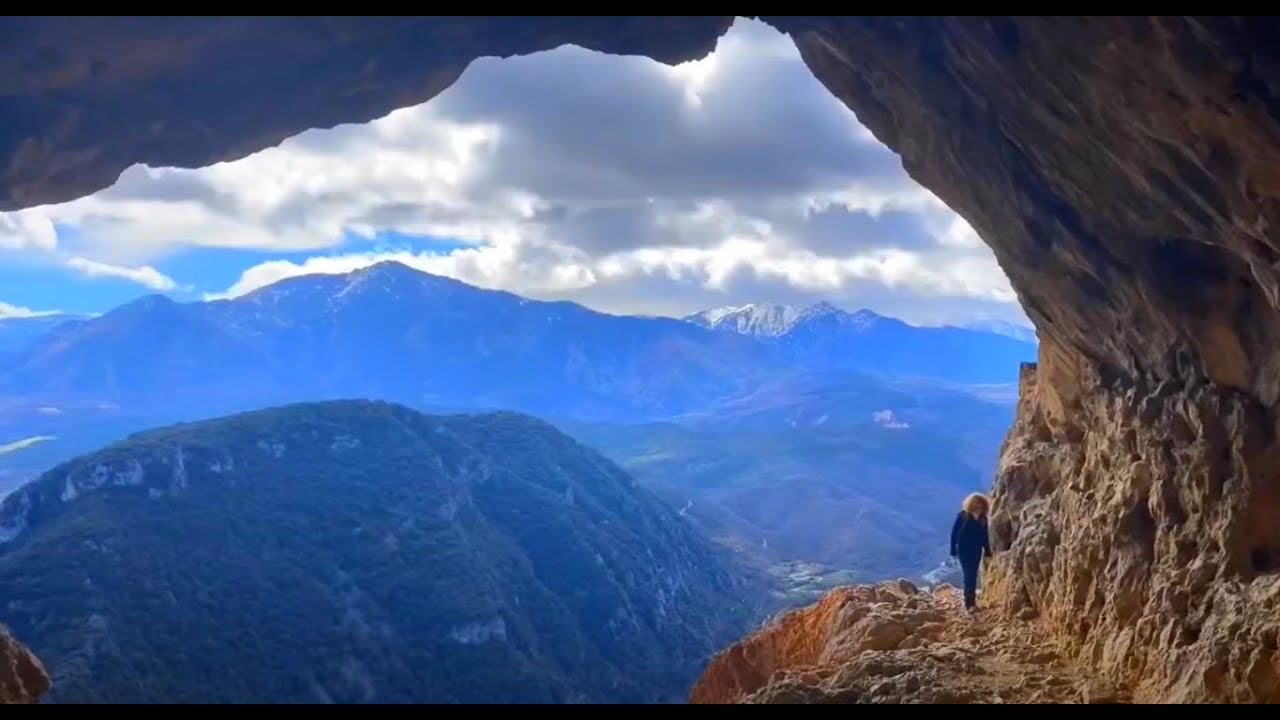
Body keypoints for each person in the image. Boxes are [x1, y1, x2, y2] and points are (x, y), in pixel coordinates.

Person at [950, 492, 993, 612]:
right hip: (964, 550)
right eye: (977, 506)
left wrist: (988, 550)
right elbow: (954, 534)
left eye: (981, 506)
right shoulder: (963, 516)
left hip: (976, 550)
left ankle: (971, 602)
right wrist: (953, 551)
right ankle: (970, 604)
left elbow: (985, 536)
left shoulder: (983, 519)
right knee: (969, 575)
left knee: (972, 575)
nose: (979, 509)